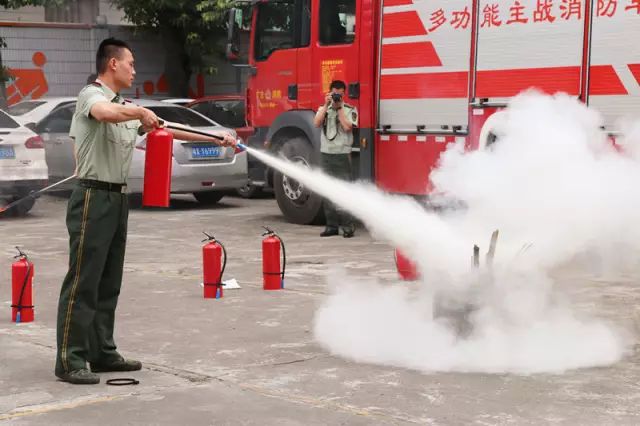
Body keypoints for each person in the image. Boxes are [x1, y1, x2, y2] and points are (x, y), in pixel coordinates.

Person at [55, 38, 236, 385]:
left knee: (109, 281)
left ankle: (102, 352)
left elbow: (165, 128)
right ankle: (69, 358)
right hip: (93, 197)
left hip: (117, 199)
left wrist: (215, 138)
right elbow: (104, 114)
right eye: (131, 64)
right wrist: (139, 112)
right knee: (83, 281)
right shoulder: (91, 96)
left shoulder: (125, 106)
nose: (135, 70)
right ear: (112, 64)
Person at [313, 80, 358, 238]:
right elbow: (317, 123)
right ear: (329, 93)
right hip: (326, 154)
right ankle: (331, 226)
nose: (337, 96)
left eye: (339, 93)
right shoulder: (323, 109)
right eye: (334, 93)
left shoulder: (350, 109)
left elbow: (347, 127)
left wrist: (339, 109)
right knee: (327, 191)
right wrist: (326, 106)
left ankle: (347, 226)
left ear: (344, 93)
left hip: (341, 155)